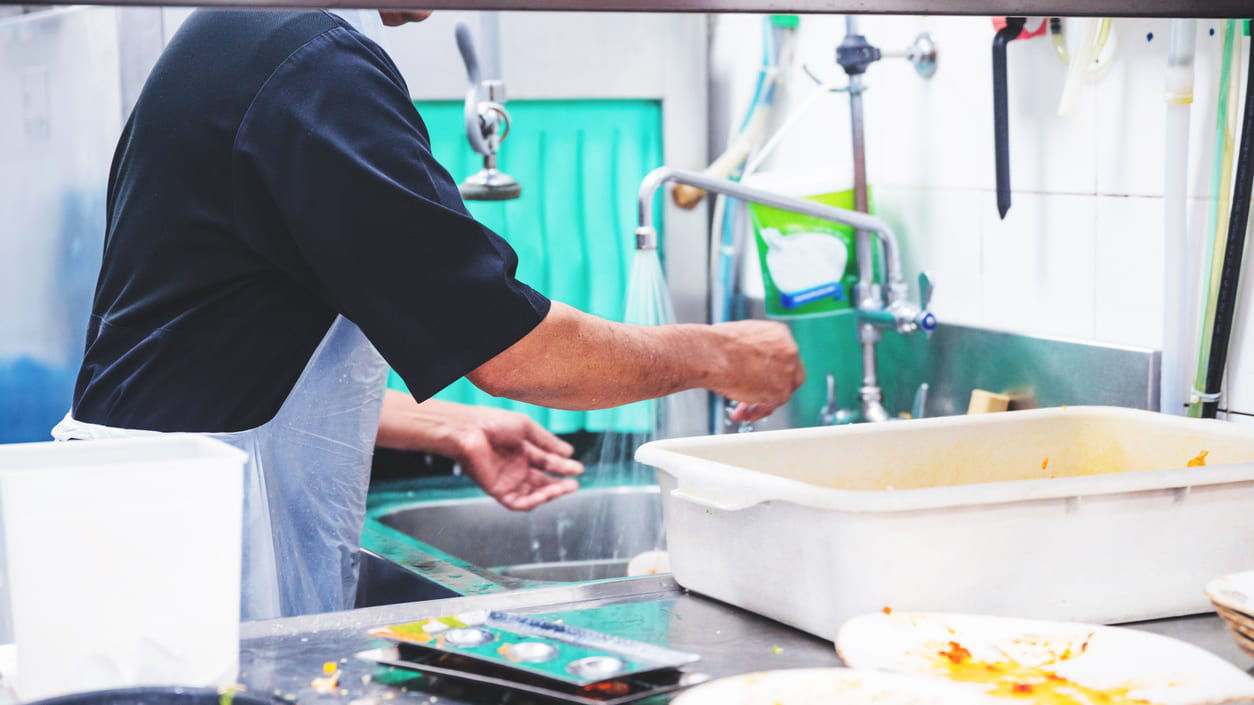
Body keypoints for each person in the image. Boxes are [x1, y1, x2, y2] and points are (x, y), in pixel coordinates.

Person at [54, 8, 804, 620]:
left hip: (158, 529)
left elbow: (214, 360)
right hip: (197, 561)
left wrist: (448, 425)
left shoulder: (245, 35)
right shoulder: (312, 67)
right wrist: (725, 355)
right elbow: (515, 351)